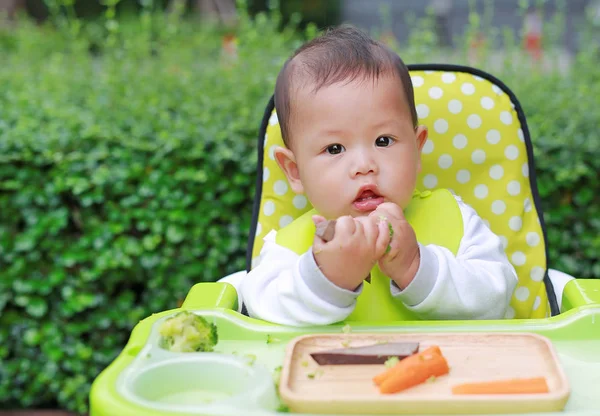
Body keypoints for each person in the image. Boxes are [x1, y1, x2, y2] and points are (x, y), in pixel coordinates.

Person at [239, 26, 517, 326]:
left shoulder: (455, 218)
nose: (364, 165)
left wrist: (418, 267)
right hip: (326, 372)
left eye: (383, 141)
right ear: (294, 171)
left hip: (453, 368)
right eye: (334, 148)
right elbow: (259, 312)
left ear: (416, 149)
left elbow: (497, 297)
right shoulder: (289, 248)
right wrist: (326, 279)